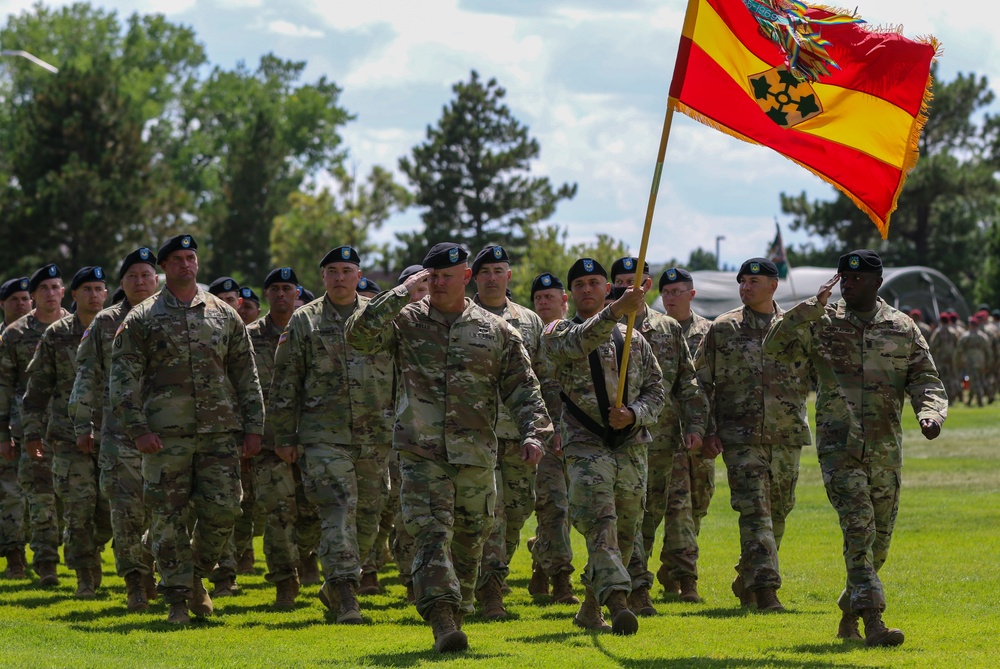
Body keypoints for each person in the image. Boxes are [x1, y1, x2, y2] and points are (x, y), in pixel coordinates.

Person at [345, 242, 552, 654]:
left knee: (471, 541)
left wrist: (534, 433)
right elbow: (358, 335)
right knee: (431, 535)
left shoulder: (496, 331)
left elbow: (524, 389)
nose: (437, 283)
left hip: (476, 456)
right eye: (431, 276)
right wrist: (403, 291)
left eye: (445, 276)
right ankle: (441, 618)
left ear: (466, 278)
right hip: (420, 453)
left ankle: (458, 607)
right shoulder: (406, 320)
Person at [764, 249, 947, 647]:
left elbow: (925, 378)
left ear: (877, 282)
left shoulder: (902, 327)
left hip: (884, 448)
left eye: (858, 279)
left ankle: (849, 610)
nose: (849, 284)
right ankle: (874, 621)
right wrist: (809, 307)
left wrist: (930, 414)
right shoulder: (822, 322)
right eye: (844, 278)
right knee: (859, 526)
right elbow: (773, 346)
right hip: (839, 446)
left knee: (879, 538)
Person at [110, 234, 264, 624]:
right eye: (176, 259)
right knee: (168, 517)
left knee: (225, 511)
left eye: (190, 257)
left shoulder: (223, 313)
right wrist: (138, 429)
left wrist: (254, 427)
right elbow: (123, 379)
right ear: (164, 268)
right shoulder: (142, 317)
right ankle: (178, 599)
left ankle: (194, 576)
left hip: (219, 433)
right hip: (165, 437)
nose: (185, 264)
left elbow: (246, 373)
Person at [267, 246, 395, 624]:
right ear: (322, 278)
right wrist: (283, 435)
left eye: (347, 270)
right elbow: (285, 382)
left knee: (370, 516)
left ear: (359, 276)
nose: (340, 277)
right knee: (338, 511)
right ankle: (344, 595)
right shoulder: (304, 321)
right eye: (332, 271)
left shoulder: (378, 319)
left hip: (373, 437)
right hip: (322, 435)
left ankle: (337, 582)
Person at [543, 257, 665, 636]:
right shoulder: (558, 331)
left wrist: (633, 413)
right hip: (584, 444)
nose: (586, 290)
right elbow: (578, 344)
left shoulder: (634, 338)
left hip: (629, 446)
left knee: (627, 532)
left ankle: (591, 606)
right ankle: (617, 602)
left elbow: (657, 391)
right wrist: (615, 311)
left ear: (604, 286)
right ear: (571, 294)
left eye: (594, 283)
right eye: (579, 285)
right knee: (600, 524)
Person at [695, 257, 811, 613]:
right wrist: (708, 430)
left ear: (774, 285)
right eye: (742, 281)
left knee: (778, 511)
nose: (746, 287)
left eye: (753, 281)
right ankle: (765, 590)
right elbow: (700, 382)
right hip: (740, 437)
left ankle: (747, 574)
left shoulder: (795, 328)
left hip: (786, 434)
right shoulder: (723, 328)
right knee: (755, 512)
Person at [611, 258, 706, 616]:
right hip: (619, 443)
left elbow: (688, 383)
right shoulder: (603, 328)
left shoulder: (667, 329)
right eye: (618, 281)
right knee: (628, 517)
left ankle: (661, 578)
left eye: (631, 281)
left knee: (662, 513)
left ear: (645, 286)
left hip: (664, 443)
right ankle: (635, 588)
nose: (625, 287)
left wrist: (696, 426)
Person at [70, 248, 159, 610]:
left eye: (146, 275)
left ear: (156, 280)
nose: (140, 282)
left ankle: (162, 570)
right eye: (132, 276)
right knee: (125, 514)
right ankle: (135, 581)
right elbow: (86, 376)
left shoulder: (175, 317)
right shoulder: (105, 323)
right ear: (121, 284)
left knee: (166, 511)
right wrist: (82, 424)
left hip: (171, 432)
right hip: (118, 435)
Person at [467, 245, 548, 619]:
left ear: (509, 276)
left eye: (498, 270)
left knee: (516, 513)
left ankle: (487, 582)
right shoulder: (463, 317)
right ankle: (489, 592)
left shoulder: (529, 321)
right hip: (476, 435)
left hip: (519, 437)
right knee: (489, 516)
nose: (492, 277)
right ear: (474, 277)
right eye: (485, 272)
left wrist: (546, 428)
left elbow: (543, 379)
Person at [23, 266, 112, 598]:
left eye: (98, 288)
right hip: (66, 437)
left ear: (105, 293)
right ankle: (85, 575)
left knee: (108, 509)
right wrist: (32, 435)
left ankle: (95, 549)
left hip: (115, 435)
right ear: (73, 296)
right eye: (86, 289)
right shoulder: (57, 334)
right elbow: (37, 390)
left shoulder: (120, 328)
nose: (93, 294)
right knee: (77, 509)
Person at [246, 266, 321, 609]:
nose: (280, 294)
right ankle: (284, 582)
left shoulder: (313, 330)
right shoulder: (249, 336)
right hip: (267, 443)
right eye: (274, 289)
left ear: (297, 293)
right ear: (267, 295)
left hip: (310, 439)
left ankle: (305, 556)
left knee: (310, 514)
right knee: (278, 513)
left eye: (286, 289)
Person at [0, 264, 69, 586]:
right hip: (30, 429)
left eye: (56, 287)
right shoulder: (13, 335)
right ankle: (41, 564)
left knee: (73, 500)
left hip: (74, 428)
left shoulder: (80, 326)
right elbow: (4, 387)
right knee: (34, 498)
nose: (51, 294)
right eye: (44, 289)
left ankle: (82, 553)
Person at [657, 267, 715, 601]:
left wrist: (712, 431)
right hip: (665, 433)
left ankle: (673, 562)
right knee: (674, 507)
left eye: (677, 291)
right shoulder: (653, 330)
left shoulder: (710, 332)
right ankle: (682, 575)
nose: (671, 298)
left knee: (698, 504)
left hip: (699, 435)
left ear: (691, 294)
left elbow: (717, 385)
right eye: (666, 292)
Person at [526, 272, 576, 603]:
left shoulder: (577, 337)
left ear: (564, 301)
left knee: (569, 511)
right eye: (538, 298)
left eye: (550, 297)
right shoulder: (525, 338)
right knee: (553, 508)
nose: (544, 303)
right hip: (544, 441)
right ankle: (561, 580)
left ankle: (540, 565)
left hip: (580, 437)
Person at [0, 277, 31, 578]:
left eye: (24, 298)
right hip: (7, 429)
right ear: (2, 305)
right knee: (11, 493)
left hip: (38, 429)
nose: (21, 304)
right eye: (14, 299)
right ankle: (14, 557)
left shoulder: (46, 334)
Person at [956, 316, 992, 407]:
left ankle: (978, 400)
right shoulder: (982, 336)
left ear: (970, 325)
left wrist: (957, 361)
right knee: (978, 380)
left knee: (974, 381)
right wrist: (988, 363)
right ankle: (973, 400)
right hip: (981, 361)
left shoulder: (965, 336)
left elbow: (959, 350)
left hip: (970, 361)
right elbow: (988, 351)